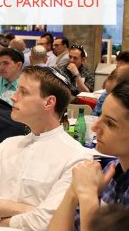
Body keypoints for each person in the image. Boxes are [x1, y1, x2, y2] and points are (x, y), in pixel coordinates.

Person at [0, 66, 92, 230]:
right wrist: (31, 210)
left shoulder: (76, 157)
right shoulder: (9, 145)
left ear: (48, 102)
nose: (13, 97)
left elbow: (49, 222)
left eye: (23, 92)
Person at [49, 81, 129, 231]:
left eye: (110, 123)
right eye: (100, 116)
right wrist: (74, 190)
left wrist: (87, 194)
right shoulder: (112, 170)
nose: (94, 127)